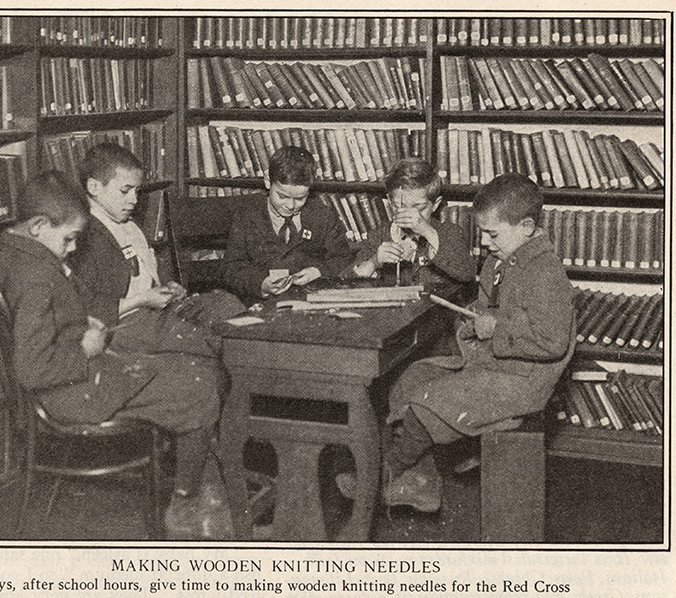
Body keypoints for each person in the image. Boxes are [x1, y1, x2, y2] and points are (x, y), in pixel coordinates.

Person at [0, 171, 228, 540]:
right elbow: (33, 368)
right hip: (68, 390)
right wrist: (84, 346)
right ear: (38, 225)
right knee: (198, 385)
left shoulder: (14, 252)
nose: (72, 248)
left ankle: (199, 474)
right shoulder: (36, 277)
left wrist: (77, 322)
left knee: (187, 367)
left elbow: (46, 320)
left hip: (76, 373)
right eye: (69, 239)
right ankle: (184, 503)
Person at [337, 173, 576, 512]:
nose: (487, 242)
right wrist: (475, 317)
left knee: (428, 403)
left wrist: (494, 327)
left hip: (524, 380)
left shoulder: (545, 273)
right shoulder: (501, 258)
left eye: (493, 234)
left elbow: (552, 343)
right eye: (483, 233)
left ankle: (383, 477)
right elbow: (486, 306)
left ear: (525, 227)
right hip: (494, 363)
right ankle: (419, 479)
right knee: (410, 381)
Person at [71, 142, 245, 358]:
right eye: (125, 191)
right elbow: (83, 309)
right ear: (94, 187)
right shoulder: (82, 236)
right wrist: (143, 299)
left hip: (156, 313)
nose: (133, 200)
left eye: (137, 191)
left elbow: (143, 273)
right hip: (125, 324)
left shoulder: (128, 224)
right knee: (210, 340)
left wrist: (166, 287)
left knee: (227, 305)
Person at [221, 145, 353, 303]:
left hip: (311, 300)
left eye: (300, 199)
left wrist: (319, 271)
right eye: (282, 196)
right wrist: (261, 284)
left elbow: (343, 258)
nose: (290, 206)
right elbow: (232, 268)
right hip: (260, 303)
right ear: (268, 181)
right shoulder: (247, 216)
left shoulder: (322, 216)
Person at [342, 158, 475, 295]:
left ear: (435, 204)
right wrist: (374, 262)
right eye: (400, 206)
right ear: (390, 202)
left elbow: (467, 273)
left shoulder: (449, 233)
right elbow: (343, 286)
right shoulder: (379, 236)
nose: (410, 215)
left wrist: (428, 232)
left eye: (419, 208)